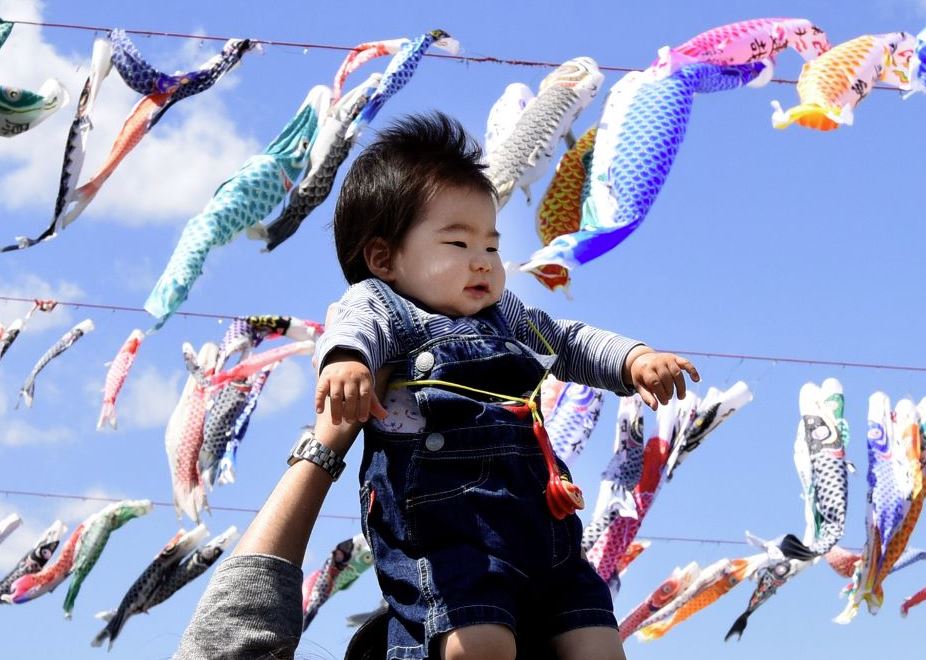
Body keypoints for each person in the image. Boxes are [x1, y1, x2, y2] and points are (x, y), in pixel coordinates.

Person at [311, 112, 699, 660]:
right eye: (457, 243)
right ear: (384, 259)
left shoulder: (505, 314)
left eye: (491, 247)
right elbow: (353, 331)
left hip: (544, 522)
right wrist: (347, 363)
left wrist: (633, 359)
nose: (483, 262)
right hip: (449, 527)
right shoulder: (383, 305)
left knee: (598, 645)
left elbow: (568, 340)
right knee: (477, 644)